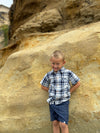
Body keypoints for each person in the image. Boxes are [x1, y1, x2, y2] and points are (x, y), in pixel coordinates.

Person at [40, 50, 80, 133]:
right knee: (55, 123)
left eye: (57, 64)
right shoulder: (49, 75)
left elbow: (77, 83)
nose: (55, 66)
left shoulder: (67, 73)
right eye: (53, 63)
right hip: (53, 102)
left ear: (63, 63)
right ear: (51, 62)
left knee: (63, 124)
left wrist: (69, 92)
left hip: (63, 102)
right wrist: (51, 91)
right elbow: (43, 86)